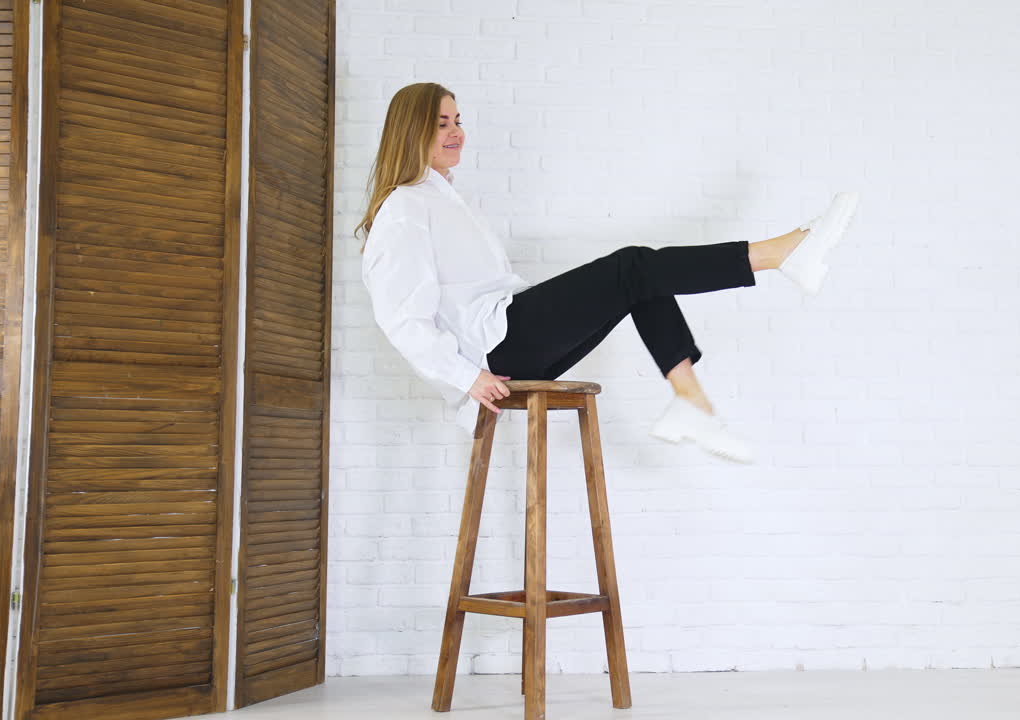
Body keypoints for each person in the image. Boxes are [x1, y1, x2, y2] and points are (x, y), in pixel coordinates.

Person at [356, 83, 858, 464]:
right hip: (496, 349)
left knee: (641, 279)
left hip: (507, 334)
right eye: (442, 123)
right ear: (412, 130)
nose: (456, 132)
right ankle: (778, 254)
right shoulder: (405, 207)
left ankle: (692, 403)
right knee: (634, 264)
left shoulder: (446, 199)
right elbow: (401, 318)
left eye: (458, 120)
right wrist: (467, 377)